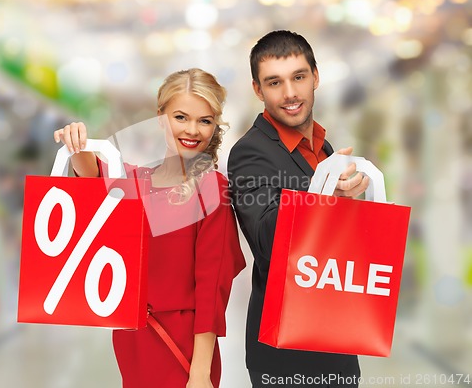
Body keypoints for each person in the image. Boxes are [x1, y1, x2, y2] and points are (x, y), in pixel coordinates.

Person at [54, 68, 246, 388]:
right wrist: (78, 145)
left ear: (215, 126)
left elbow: (212, 291)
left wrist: (200, 374)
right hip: (132, 339)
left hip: (181, 346)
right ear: (160, 118)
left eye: (205, 120)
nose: (192, 130)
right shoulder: (137, 180)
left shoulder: (212, 190)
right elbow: (94, 178)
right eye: (181, 117)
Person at [227, 30, 370, 387]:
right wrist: (321, 191)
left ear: (315, 77)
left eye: (299, 77)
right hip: (286, 350)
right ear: (258, 90)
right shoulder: (249, 153)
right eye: (274, 82)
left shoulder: (323, 148)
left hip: (336, 335)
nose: (290, 93)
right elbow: (264, 239)